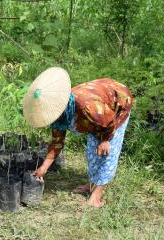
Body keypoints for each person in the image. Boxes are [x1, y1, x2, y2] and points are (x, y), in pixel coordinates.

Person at [23, 67, 133, 208]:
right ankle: (92, 184)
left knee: (107, 154)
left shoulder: (87, 106)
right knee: (92, 153)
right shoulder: (59, 116)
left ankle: (96, 196)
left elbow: (109, 120)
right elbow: (57, 143)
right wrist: (44, 167)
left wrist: (105, 139)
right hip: (98, 117)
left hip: (117, 105)